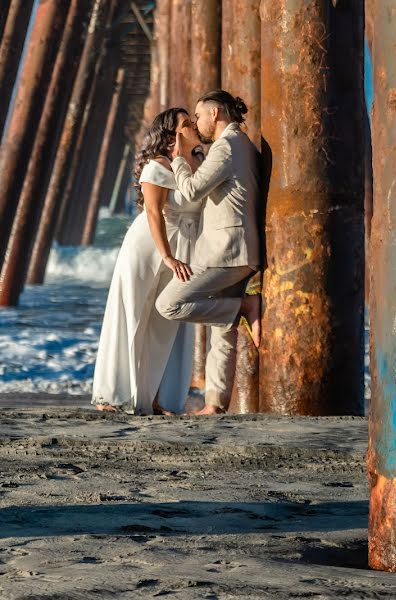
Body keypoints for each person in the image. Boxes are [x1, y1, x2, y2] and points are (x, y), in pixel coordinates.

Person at [155, 90, 263, 416]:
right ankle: (215, 404)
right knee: (222, 330)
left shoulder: (227, 147)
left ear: (215, 113)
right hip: (240, 249)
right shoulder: (237, 145)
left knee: (169, 304)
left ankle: (244, 306)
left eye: (199, 115)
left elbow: (190, 189)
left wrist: (180, 155)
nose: (197, 122)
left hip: (226, 251)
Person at [91, 108, 203, 415]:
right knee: (133, 313)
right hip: (149, 247)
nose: (194, 126)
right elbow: (153, 212)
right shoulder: (158, 165)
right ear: (172, 135)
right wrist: (166, 255)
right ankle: (112, 396)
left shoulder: (198, 162)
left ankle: (155, 398)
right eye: (186, 123)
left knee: (166, 322)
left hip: (182, 249)